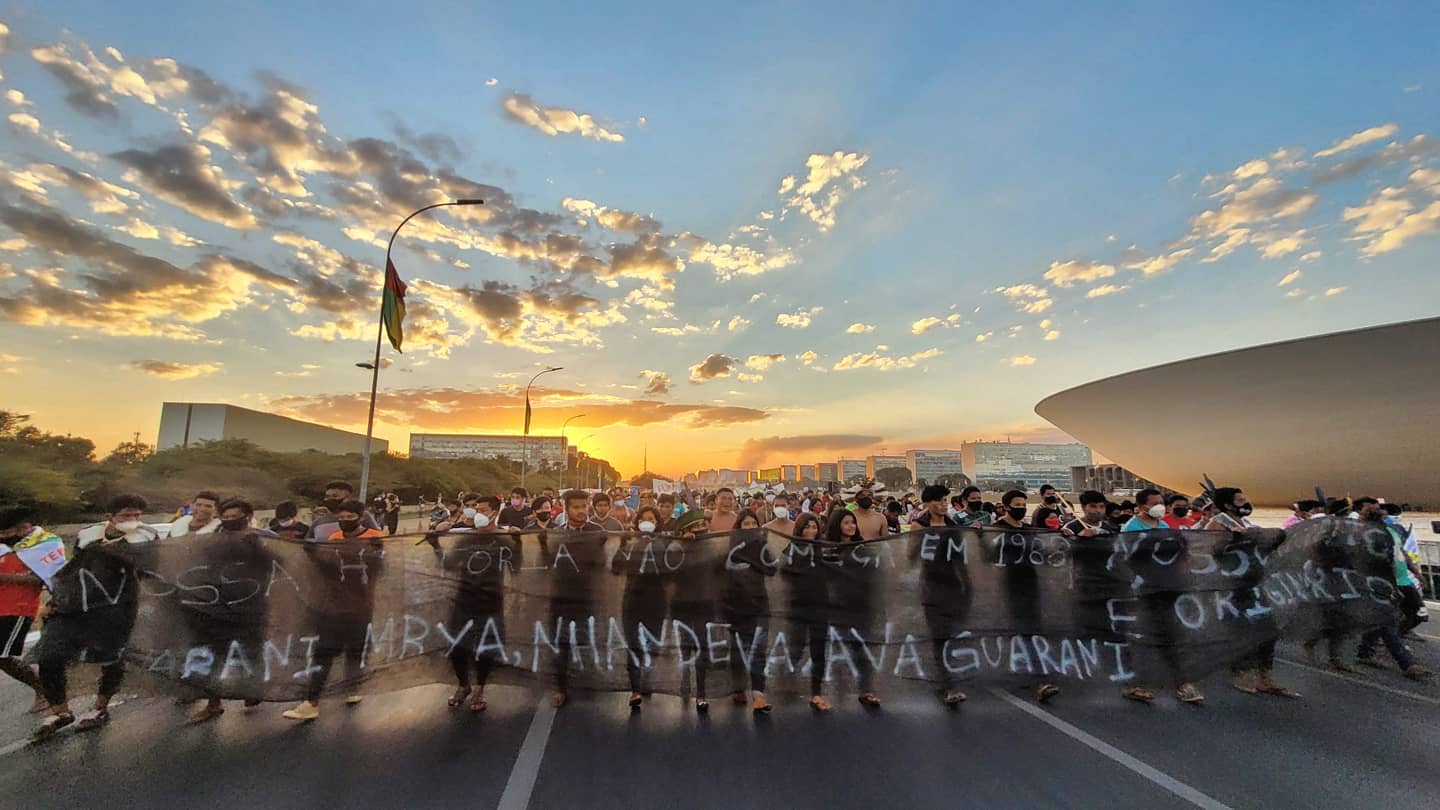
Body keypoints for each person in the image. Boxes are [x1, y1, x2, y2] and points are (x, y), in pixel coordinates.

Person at [32, 494, 159, 739]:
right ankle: (60, 711)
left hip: (119, 604)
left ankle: (100, 707)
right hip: (80, 603)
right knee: (49, 653)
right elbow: (73, 570)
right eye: (125, 515)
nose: (132, 520)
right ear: (109, 517)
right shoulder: (88, 535)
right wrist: (55, 600)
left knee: (112, 656)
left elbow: (151, 571)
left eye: (136, 515)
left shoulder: (148, 536)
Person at [283, 500, 385, 721]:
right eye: (343, 517)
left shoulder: (375, 537)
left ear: (361, 517)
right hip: (333, 605)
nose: (345, 521)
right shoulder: (334, 538)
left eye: (350, 517)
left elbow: (379, 566)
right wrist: (313, 554)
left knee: (355, 650)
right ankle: (311, 702)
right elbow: (328, 566)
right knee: (323, 651)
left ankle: (352, 687)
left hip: (361, 605)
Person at [181, 499, 274, 721]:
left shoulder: (263, 538)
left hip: (250, 606)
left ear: (248, 516)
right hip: (215, 605)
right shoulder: (212, 539)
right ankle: (213, 703)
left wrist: (256, 549)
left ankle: (252, 689)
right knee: (211, 654)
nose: (230, 521)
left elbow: (279, 565)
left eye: (236, 517)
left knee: (251, 650)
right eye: (227, 517)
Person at [1206, 486, 1297, 697]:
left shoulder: (1246, 523)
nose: (1244, 502)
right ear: (1228, 504)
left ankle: (1266, 678)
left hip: (1254, 584)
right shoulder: (1218, 523)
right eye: (1240, 500)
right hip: (1231, 587)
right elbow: (1211, 551)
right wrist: (1232, 539)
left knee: (1268, 629)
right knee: (1241, 632)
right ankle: (1239, 675)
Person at [1120, 489, 1204, 704]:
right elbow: (1127, 559)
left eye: (1161, 502)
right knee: (1143, 637)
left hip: (1166, 588)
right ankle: (1134, 683)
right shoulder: (1131, 528)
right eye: (1154, 503)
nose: (1160, 506)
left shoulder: (1164, 526)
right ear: (1141, 507)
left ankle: (1180, 683)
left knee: (1170, 634)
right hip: (1143, 591)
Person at [442, 494, 516, 711]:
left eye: (482, 509)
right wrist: (436, 543)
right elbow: (448, 565)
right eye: (474, 509)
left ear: (495, 512)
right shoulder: (465, 539)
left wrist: (518, 541)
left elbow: (517, 567)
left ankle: (480, 688)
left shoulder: (504, 539)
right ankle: (463, 685)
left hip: (491, 601)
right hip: (464, 599)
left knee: (486, 647)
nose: (477, 514)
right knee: (456, 646)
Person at [542, 490, 607, 707]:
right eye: (576, 507)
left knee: (586, 639)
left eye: (584, 506)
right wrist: (542, 543)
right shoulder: (556, 534)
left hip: (586, 596)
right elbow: (548, 563)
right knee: (560, 643)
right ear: (567, 508)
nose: (581, 511)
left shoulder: (598, 532)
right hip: (559, 596)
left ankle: (585, 682)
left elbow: (604, 562)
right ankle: (560, 687)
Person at [994, 490, 1059, 702]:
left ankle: (1039, 678)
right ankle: (1033, 677)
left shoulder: (1030, 531)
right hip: (1006, 587)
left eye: (1023, 504)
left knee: (1032, 631)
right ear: (1006, 507)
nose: (1021, 507)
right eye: (1017, 504)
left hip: (1031, 586)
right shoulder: (994, 530)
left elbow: (1046, 551)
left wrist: (1064, 537)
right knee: (1016, 631)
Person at [1354, 498, 1431, 679]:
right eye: (1377, 511)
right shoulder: (1365, 535)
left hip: (1404, 581)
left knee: (1418, 614)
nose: (1384, 514)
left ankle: (1367, 651)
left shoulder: (1390, 531)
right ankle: (1407, 663)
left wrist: (1417, 573)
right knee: (1386, 621)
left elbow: (1401, 553)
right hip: (1384, 584)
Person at [911, 484, 970, 707]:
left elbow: (961, 558)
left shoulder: (953, 526)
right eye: (938, 500)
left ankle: (947, 674)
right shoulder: (919, 525)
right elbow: (910, 556)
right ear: (927, 504)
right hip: (931, 586)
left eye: (945, 500)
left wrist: (967, 585)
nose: (944, 504)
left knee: (952, 633)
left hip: (953, 584)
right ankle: (949, 685)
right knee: (939, 635)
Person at [612, 505, 670, 710]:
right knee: (633, 644)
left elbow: (672, 569)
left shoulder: (664, 543)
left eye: (652, 519)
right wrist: (622, 543)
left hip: (656, 600)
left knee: (653, 644)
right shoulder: (630, 543)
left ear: (657, 523)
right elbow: (616, 568)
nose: (648, 522)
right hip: (632, 600)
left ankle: (647, 675)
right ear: (637, 522)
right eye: (644, 519)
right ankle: (635, 689)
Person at [0, 508, 56, 714]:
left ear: (23, 528)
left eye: (6, 533)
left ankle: (44, 690)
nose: (3, 537)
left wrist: (5, 578)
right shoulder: (6, 548)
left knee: (3, 656)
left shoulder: (45, 544)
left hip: (17, 607)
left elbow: (43, 577)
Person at [826, 510, 882, 706]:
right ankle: (839, 691)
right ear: (836, 526)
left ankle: (865, 689)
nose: (851, 526)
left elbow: (874, 574)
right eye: (846, 523)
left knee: (862, 649)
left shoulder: (862, 549)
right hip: (835, 608)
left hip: (861, 606)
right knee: (838, 650)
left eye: (853, 523)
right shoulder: (827, 550)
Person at [724, 510, 777, 713]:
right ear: (739, 527)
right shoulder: (729, 546)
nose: (749, 527)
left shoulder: (762, 547)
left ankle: (758, 694)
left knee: (758, 651)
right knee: (737, 650)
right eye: (745, 524)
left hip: (759, 605)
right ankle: (738, 688)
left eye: (753, 523)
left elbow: (772, 569)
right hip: (735, 605)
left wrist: (759, 552)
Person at [668, 507, 717, 712]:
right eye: (695, 526)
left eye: (702, 525)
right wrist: (682, 544)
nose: (700, 529)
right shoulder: (676, 548)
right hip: (681, 602)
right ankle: (685, 675)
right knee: (685, 643)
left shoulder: (711, 546)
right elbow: (670, 568)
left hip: (705, 601)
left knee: (703, 645)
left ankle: (702, 691)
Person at [307, 481, 380, 539]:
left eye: (335, 496)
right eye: (327, 496)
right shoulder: (318, 522)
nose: (329, 499)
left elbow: (378, 541)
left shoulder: (363, 516)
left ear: (347, 498)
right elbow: (308, 545)